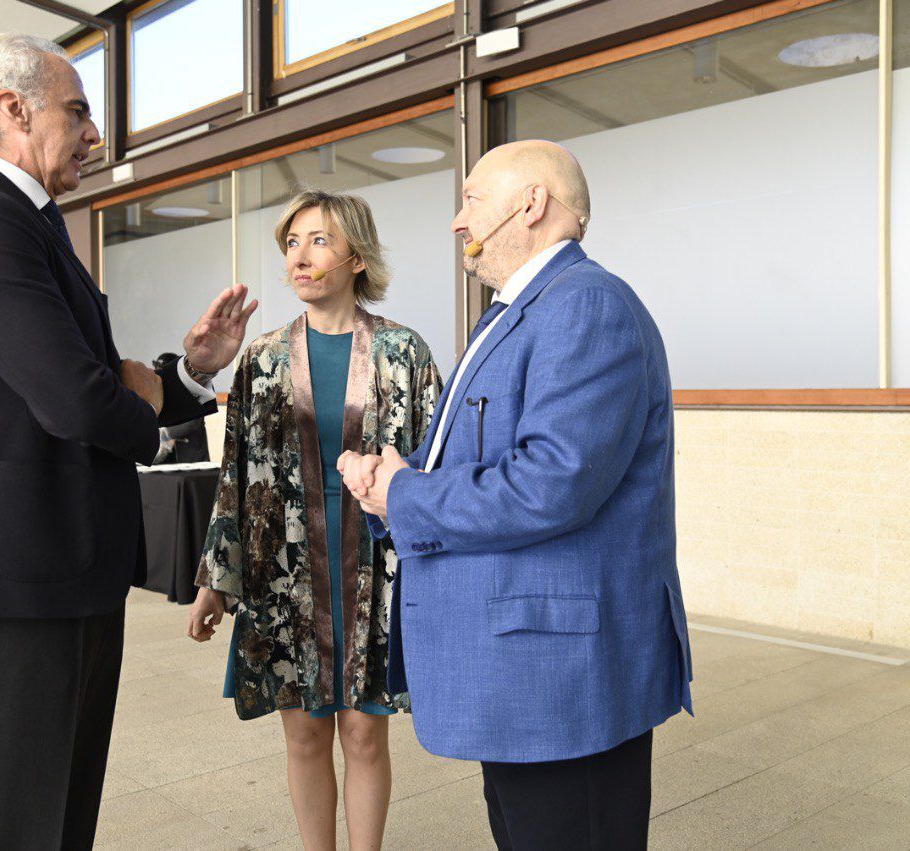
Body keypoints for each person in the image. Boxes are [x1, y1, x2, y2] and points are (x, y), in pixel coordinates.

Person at [0, 33, 256, 849]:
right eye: (79, 110)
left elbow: (100, 381)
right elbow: (75, 394)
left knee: (57, 816)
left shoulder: (31, 225)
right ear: (13, 109)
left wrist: (187, 373)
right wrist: (144, 423)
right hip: (14, 576)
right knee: (11, 822)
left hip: (58, 567)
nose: (95, 135)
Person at [338, 140, 692, 850]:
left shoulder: (587, 307)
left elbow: (552, 483)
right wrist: (395, 479)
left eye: (471, 198)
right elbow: (500, 457)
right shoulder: (525, 309)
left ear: (530, 204)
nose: (456, 221)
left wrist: (405, 496)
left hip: (563, 680)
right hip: (528, 674)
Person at [188, 190, 441, 851]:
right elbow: (235, 474)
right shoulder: (263, 358)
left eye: (319, 241)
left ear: (356, 256)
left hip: (373, 562)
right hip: (284, 569)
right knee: (303, 733)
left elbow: (437, 466)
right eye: (293, 242)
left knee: (363, 730)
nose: (301, 256)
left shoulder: (404, 352)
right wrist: (217, 579)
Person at [151, 352, 211, 464]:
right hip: (167, 466)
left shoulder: (192, 390)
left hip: (193, 465)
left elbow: (192, 422)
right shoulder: (160, 394)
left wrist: (164, 432)